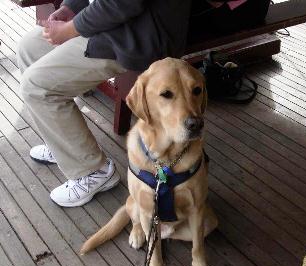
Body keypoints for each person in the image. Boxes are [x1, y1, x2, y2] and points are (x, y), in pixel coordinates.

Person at [17, 0, 192, 207]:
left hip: (136, 35)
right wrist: (70, 8)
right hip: (106, 21)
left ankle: (93, 172)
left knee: (36, 86)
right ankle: (63, 146)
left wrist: (71, 29)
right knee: (29, 47)